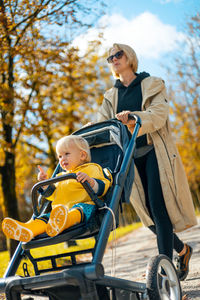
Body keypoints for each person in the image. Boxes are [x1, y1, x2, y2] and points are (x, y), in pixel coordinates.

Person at [97, 43, 197, 281]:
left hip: (153, 152)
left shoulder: (152, 84)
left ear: (129, 57)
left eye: (118, 54)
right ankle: (182, 250)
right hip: (128, 158)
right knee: (148, 216)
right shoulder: (110, 96)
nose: (114, 59)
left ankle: (164, 270)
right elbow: (102, 126)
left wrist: (134, 118)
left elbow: (160, 114)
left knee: (158, 209)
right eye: (110, 58)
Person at [2, 135, 112, 242]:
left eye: (66, 154)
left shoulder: (91, 168)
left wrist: (91, 181)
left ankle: (64, 221)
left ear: (82, 155)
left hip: (85, 209)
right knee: (45, 218)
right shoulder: (60, 177)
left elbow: (103, 186)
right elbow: (52, 195)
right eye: (59, 156)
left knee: (79, 210)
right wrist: (44, 184)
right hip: (59, 213)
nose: (62, 159)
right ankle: (28, 229)